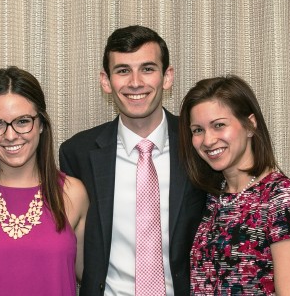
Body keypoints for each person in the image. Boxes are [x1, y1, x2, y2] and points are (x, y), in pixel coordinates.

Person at [59, 25, 206, 296]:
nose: (135, 82)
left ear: (167, 76)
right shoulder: (77, 153)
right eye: (123, 70)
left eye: (148, 69)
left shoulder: (198, 144)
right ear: (106, 81)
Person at [0, 66, 88, 296]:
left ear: (41, 124)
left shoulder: (73, 193)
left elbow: (91, 275)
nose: (11, 135)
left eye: (23, 121)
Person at [178, 75, 290, 295]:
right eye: (197, 130)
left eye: (219, 125)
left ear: (250, 125)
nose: (208, 140)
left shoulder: (284, 196)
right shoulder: (210, 197)